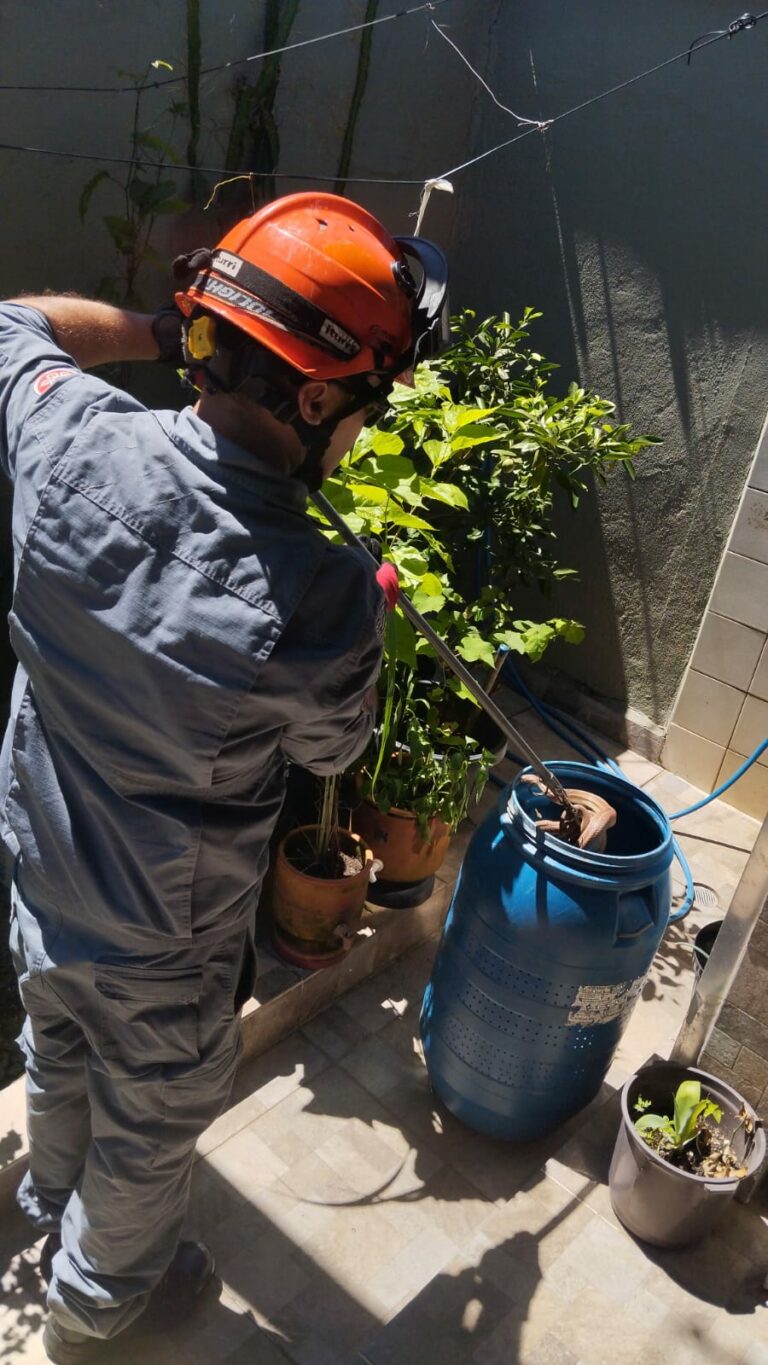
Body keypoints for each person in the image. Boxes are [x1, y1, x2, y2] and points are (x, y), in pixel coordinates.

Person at [0, 191, 449, 1362]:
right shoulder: (322, 591)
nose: (362, 426)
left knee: (54, 1045)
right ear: (314, 397)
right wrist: (366, 619)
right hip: (162, 934)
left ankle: (51, 1208)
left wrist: (161, 331)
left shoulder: (67, 439)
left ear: (210, 336)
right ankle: (97, 1310)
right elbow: (333, 752)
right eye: (366, 400)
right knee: (147, 1131)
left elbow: (11, 325)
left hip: (38, 866)